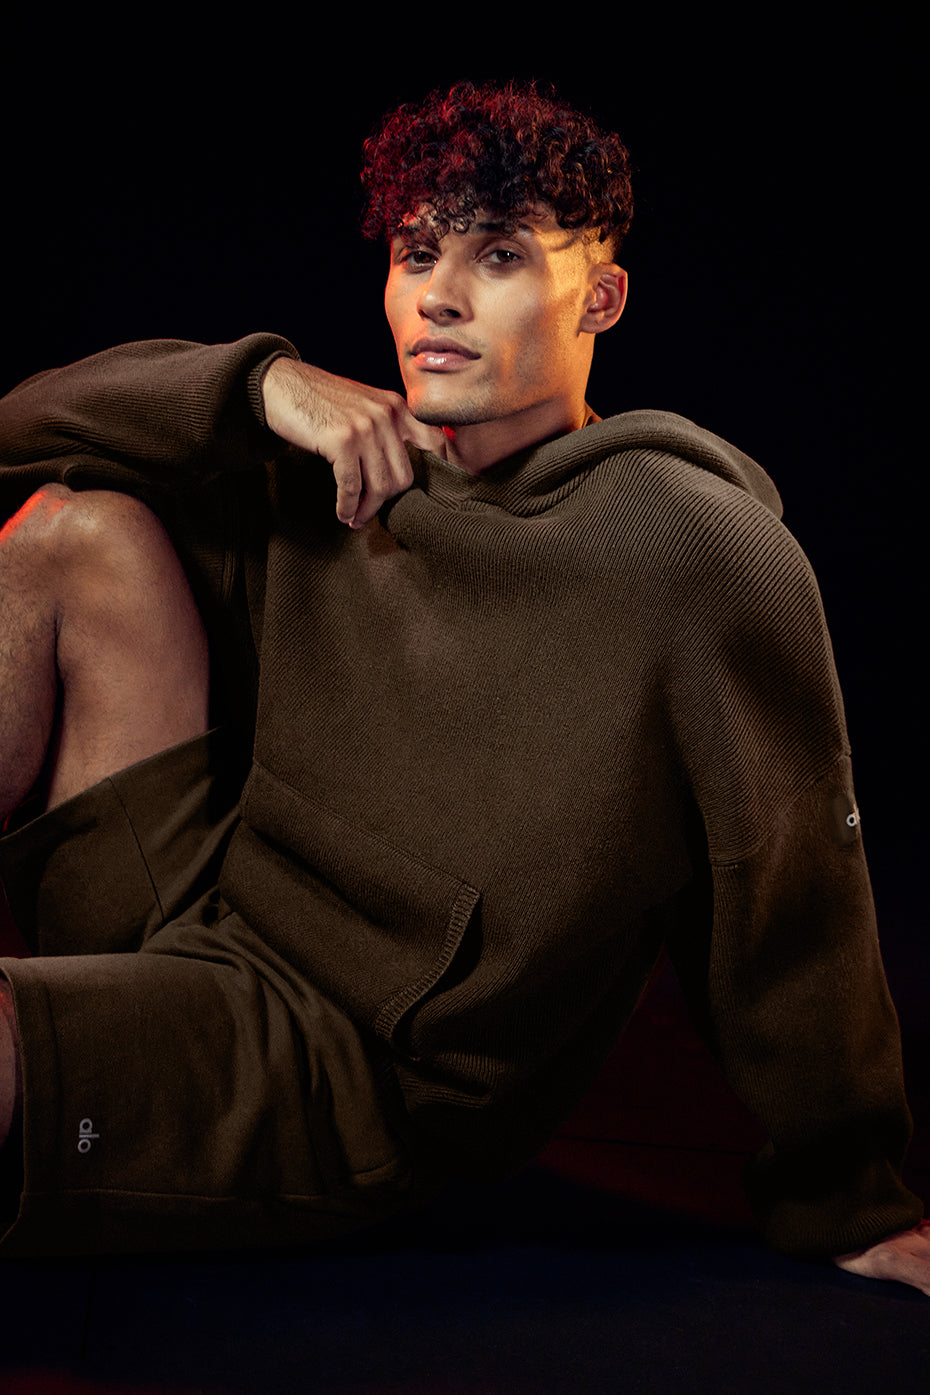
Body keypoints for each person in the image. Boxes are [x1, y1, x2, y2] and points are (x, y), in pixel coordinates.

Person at [0, 80, 927, 1293]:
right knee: (70, 532)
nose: (438, 294)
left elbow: (789, 885)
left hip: (336, 1073)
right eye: (415, 252)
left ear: (600, 297)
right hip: (201, 911)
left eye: (497, 255)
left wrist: (849, 1195)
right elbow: (22, 428)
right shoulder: (349, 458)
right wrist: (260, 386)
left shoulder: (692, 553)